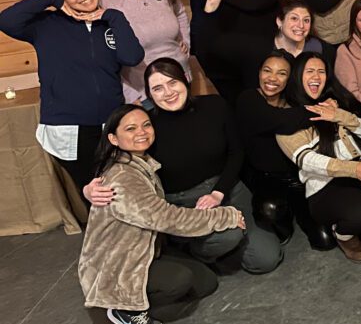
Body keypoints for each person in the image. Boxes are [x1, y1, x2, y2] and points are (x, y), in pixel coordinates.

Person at [96, 58, 283, 273]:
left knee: (266, 259)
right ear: (149, 94)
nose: (168, 93)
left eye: (172, 82)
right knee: (230, 235)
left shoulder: (214, 105)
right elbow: (118, 159)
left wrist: (218, 192)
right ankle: (196, 250)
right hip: (183, 204)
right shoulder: (147, 124)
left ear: (185, 79)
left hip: (226, 189)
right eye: (158, 88)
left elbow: (236, 152)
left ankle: (223, 248)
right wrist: (91, 187)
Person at [78, 105, 245, 324]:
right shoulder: (124, 176)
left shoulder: (140, 162)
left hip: (146, 250)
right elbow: (165, 217)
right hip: (118, 265)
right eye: (131, 128)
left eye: (146, 125)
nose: (142, 132)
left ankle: (148, 295)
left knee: (206, 283)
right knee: (180, 281)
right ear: (113, 139)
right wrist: (223, 216)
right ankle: (123, 308)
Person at [0, 0, 143, 194]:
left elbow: (132, 56)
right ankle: (100, 230)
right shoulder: (46, 25)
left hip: (111, 121)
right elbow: (6, 20)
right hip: (69, 127)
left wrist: (113, 17)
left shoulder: (109, 21)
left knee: (124, 188)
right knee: (94, 193)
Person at [276, 51, 361, 262]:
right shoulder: (285, 117)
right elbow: (308, 161)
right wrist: (354, 169)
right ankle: (343, 235)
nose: (316, 77)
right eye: (310, 71)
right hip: (325, 187)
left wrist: (339, 116)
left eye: (321, 71)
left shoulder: (334, 101)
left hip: (359, 172)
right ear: (297, 76)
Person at [234, 51, 335, 251]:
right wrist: (320, 110)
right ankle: (284, 222)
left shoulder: (293, 101)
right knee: (269, 210)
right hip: (266, 177)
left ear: (290, 78)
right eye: (267, 71)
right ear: (259, 73)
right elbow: (277, 121)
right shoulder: (248, 98)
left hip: (298, 176)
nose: (272, 78)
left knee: (325, 241)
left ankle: (299, 210)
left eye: (281, 73)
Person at [103, 0, 190, 105]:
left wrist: (185, 40)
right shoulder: (108, 2)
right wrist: (130, 96)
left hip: (181, 80)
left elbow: (181, 14)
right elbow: (105, 55)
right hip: (145, 93)